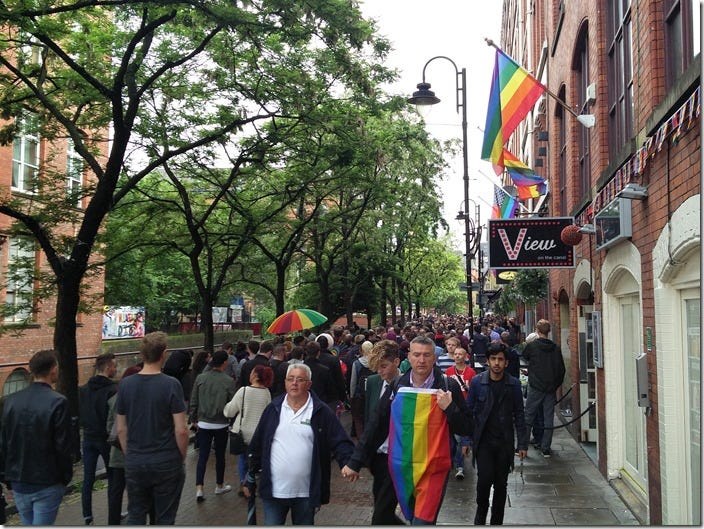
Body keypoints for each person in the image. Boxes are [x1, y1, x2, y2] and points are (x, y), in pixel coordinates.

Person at [341, 336, 471, 525]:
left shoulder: (447, 385)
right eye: (417, 355)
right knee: (393, 516)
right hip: (402, 467)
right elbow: (377, 424)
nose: (421, 360)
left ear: (434, 358)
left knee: (422, 522)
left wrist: (450, 409)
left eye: (426, 355)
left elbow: (467, 426)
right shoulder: (398, 385)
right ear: (409, 357)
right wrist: (355, 461)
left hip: (433, 468)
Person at [245, 364, 355, 525]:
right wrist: (249, 476)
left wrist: (348, 462)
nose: (294, 383)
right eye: (290, 379)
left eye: (300, 379)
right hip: (274, 492)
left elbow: (340, 440)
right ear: (285, 383)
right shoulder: (273, 409)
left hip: (305, 493)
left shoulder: (321, 411)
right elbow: (257, 444)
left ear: (309, 384)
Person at [116, 332, 189, 525]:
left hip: (136, 460)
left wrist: (131, 455)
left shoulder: (125, 385)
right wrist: (180, 457)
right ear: (164, 354)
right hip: (166, 460)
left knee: (136, 514)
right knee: (165, 517)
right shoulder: (171, 385)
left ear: (142, 354)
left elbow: (121, 428)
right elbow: (181, 429)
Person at [0, 350, 74, 525]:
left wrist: (6, 475)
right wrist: (65, 476)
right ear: (53, 370)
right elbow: (63, 446)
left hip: (19, 479)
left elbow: (4, 441)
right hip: (47, 480)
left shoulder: (11, 401)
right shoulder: (58, 402)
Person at [466, 342, 528, 525]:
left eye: (500, 359)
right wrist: (466, 440)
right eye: (493, 359)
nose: (496, 363)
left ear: (506, 362)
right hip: (483, 441)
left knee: (501, 484)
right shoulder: (477, 382)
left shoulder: (513, 384)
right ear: (487, 361)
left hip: (504, 442)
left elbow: (519, 414)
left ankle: (496, 522)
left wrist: (522, 444)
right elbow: (469, 412)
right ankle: (480, 516)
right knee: (484, 480)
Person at [348, 340, 404, 525]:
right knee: (382, 510)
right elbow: (368, 416)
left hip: (397, 458)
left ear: (396, 362)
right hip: (377, 458)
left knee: (380, 515)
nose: (380, 371)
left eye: (384, 366)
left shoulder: (406, 385)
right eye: (377, 367)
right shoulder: (372, 382)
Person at [189, 350, 237, 502]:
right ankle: (219, 485)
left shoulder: (201, 378)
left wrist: (193, 418)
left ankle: (199, 488)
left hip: (203, 422)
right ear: (224, 363)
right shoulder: (228, 381)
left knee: (203, 456)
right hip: (221, 423)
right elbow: (232, 404)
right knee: (220, 456)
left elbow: (194, 400)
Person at [78, 352, 118, 525]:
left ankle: (87, 516)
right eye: (114, 366)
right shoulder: (113, 390)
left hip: (88, 437)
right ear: (108, 367)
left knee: (88, 479)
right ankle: (113, 514)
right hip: (105, 438)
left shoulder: (84, 389)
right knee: (113, 478)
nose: (116, 369)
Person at [106, 365, 147, 525]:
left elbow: (109, 426)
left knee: (115, 492)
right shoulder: (139, 399)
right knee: (136, 494)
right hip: (135, 454)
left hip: (116, 455)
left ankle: (113, 522)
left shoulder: (114, 398)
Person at [224, 364, 273, 497]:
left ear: (255, 375)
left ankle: (244, 484)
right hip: (258, 434)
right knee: (254, 460)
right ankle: (249, 482)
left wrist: (226, 406)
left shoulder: (244, 391)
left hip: (243, 432)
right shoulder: (267, 393)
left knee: (243, 459)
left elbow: (230, 411)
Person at [521, 319, 566, 458]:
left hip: (535, 386)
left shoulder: (533, 346)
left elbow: (524, 356)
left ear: (537, 330)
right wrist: (554, 385)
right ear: (549, 331)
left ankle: (522, 446)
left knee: (528, 416)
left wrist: (532, 373)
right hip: (550, 388)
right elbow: (561, 370)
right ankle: (546, 448)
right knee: (548, 418)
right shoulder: (556, 348)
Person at [444, 346, 476, 481]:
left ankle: (460, 466)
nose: (457, 356)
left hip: (465, 408)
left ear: (465, 356)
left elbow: (474, 391)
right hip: (452, 407)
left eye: (460, 354)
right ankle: (456, 462)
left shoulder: (471, 372)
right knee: (455, 439)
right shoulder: (448, 371)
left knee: (461, 438)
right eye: (455, 354)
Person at [349, 340, 374, 439]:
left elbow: (353, 381)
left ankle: (361, 438)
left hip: (359, 395)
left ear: (362, 350)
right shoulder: (375, 362)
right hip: (372, 394)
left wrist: (352, 396)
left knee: (359, 418)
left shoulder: (357, 363)